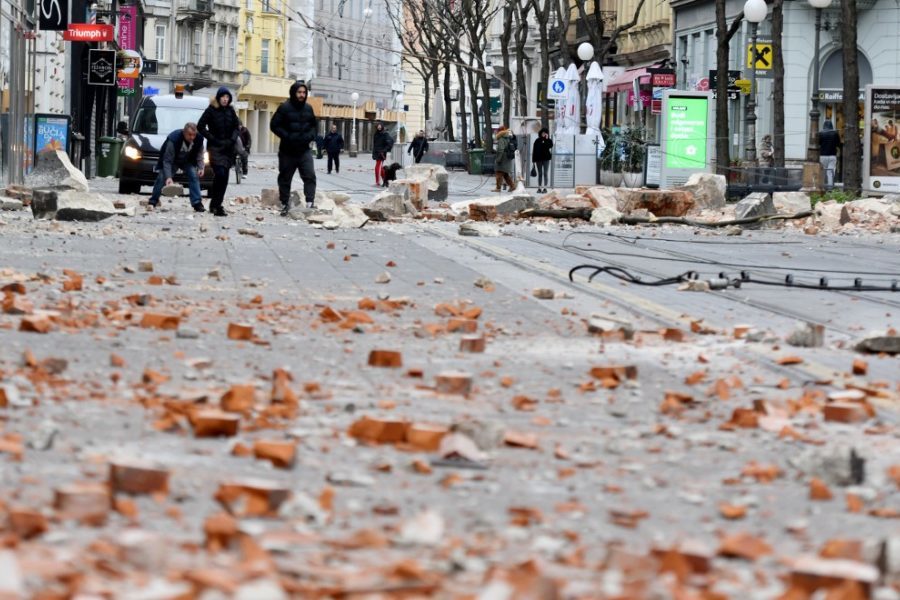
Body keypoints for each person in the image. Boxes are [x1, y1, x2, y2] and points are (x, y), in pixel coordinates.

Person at [270, 81, 318, 216]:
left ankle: (310, 203)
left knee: (310, 175)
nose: (302, 95)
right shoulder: (284, 108)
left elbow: (314, 126)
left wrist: (310, 136)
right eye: (299, 92)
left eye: (304, 92)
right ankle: (285, 204)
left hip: (304, 150)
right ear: (293, 93)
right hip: (287, 151)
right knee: (285, 178)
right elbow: (274, 125)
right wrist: (287, 136)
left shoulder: (309, 108)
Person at [197, 87, 241, 216]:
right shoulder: (211, 110)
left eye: (227, 97)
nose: (225, 99)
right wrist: (212, 138)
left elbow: (236, 127)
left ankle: (216, 205)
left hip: (228, 148)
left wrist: (232, 140)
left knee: (224, 178)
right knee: (220, 174)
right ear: (218, 98)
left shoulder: (231, 111)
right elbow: (200, 126)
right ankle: (216, 204)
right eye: (223, 97)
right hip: (215, 148)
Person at [148, 122, 205, 212]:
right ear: (184, 132)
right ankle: (153, 201)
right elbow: (167, 160)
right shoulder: (174, 139)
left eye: (194, 135)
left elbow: (200, 155)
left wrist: (201, 167)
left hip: (188, 161)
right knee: (162, 177)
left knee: (194, 175)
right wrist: (168, 177)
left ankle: (197, 203)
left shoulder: (199, 138)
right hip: (173, 161)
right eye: (189, 135)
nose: (192, 137)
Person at [818, 120, 841, 190]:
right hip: (832, 155)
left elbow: (819, 143)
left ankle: (822, 188)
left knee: (822, 172)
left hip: (823, 155)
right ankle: (830, 189)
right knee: (830, 173)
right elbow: (838, 143)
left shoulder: (821, 133)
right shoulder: (835, 133)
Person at [493, 126, 515, 192]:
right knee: (505, 174)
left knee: (498, 173)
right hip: (507, 158)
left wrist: (498, 159)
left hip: (503, 158)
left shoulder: (501, 139)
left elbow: (500, 149)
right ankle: (512, 186)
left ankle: (498, 188)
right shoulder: (508, 137)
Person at [531, 127, 552, 193]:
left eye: (545, 133)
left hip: (546, 159)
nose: (543, 134)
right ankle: (539, 188)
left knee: (545, 173)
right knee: (540, 173)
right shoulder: (537, 141)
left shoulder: (548, 140)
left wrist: (547, 139)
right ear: (540, 133)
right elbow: (534, 150)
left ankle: (545, 188)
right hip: (538, 159)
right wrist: (533, 160)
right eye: (542, 133)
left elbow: (550, 146)